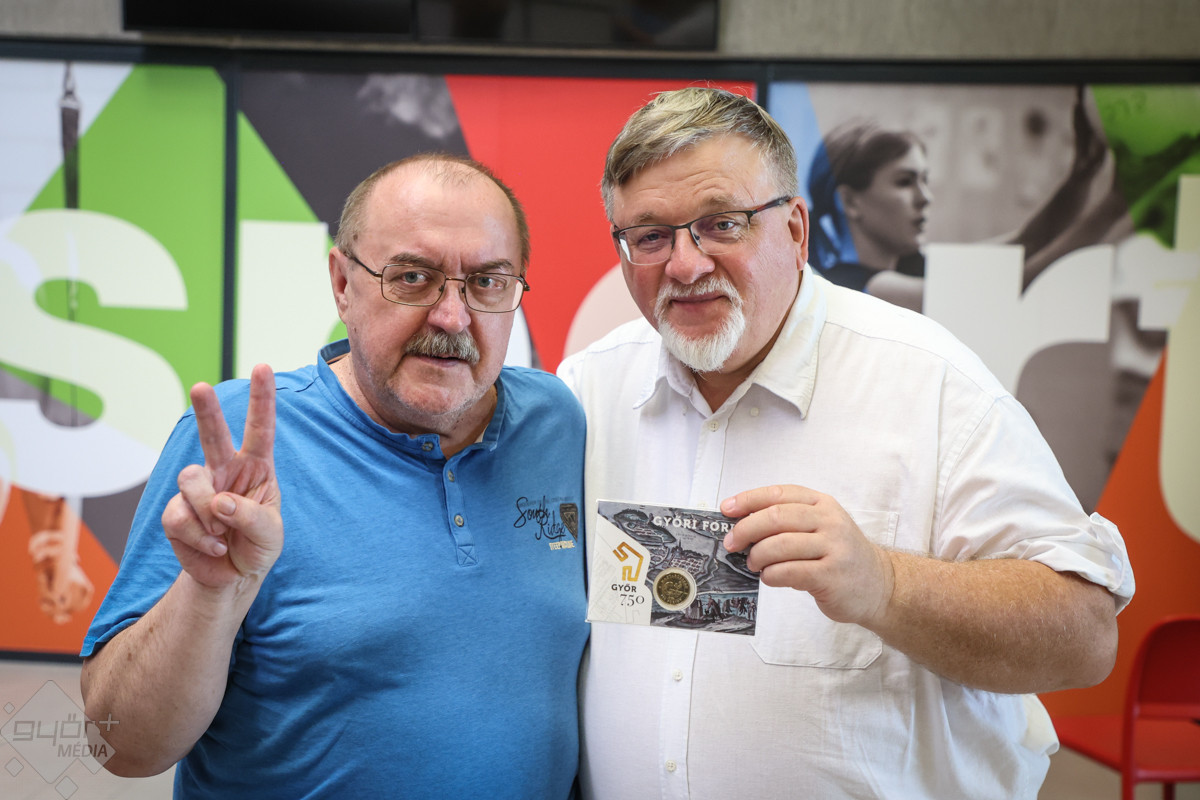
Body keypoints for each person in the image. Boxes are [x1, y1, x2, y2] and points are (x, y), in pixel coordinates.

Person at [558, 87, 1134, 799]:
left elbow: (1085, 636)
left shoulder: (927, 383)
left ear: (795, 230)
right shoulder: (589, 391)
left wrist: (885, 585)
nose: (684, 264)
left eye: (722, 224)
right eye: (650, 236)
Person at [80, 153, 588, 798]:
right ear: (343, 284)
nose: (452, 317)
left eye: (488, 281)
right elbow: (119, 744)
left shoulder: (556, 423)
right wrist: (209, 594)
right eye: (413, 277)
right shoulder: (240, 447)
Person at [807, 87, 1112, 312]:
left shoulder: (911, 265)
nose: (925, 197)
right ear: (850, 202)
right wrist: (1117, 204)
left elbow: (1026, 244)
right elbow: (1012, 288)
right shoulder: (854, 286)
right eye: (904, 182)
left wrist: (1082, 176)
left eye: (924, 180)